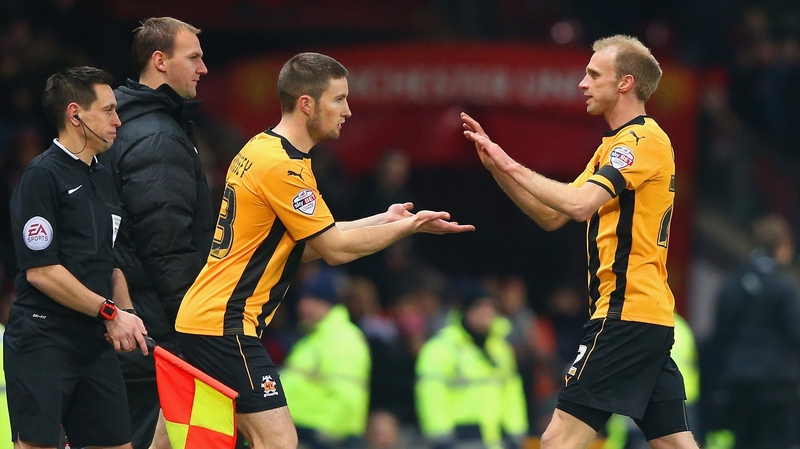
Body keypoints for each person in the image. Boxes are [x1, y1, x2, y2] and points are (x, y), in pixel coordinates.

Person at [174, 52, 474, 449]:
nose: (348, 111)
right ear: (306, 104)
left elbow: (309, 243)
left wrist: (384, 219)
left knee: (180, 442)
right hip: (225, 325)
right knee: (278, 442)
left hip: (205, 320)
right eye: (339, 99)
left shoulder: (262, 148)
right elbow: (333, 249)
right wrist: (409, 227)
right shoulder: (284, 168)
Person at [461, 35, 698, 449]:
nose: (582, 83)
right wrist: (497, 168)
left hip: (625, 315)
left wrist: (510, 162)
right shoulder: (614, 145)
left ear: (624, 83)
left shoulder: (641, 141)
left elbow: (580, 205)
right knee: (672, 443)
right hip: (646, 317)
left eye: (593, 74)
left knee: (556, 440)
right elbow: (552, 215)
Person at [4, 66, 148, 449]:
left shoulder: (104, 175)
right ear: (75, 114)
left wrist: (127, 311)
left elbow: (111, 259)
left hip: (95, 340)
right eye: (109, 110)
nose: (118, 120)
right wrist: (110, 313)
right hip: (44, 338)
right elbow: (42, 272)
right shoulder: (41, 176)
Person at [96, 17, 213, 449]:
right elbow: (166, 246)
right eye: (194, 58)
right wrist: (194, 328)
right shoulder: (157, 135)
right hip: (156, 336)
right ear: (159, 61)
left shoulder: (126, 122)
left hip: (134, 328)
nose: (203, 68)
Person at [710, 215, 800, 449]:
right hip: (778, 386)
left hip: (739, 381)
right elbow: (795, 334)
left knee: (742, 442)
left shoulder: (732, 284)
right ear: (782, 245)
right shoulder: (784, 288)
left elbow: (720, 334)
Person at [415, 281, 528, 449]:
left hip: (498, 439)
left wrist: (517, 431)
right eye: (479, 307)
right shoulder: (442, 348)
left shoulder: (500, 349)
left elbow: (512, 392)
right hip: (459, 439)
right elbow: (431, 394)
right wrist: (441, 436)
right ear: (465, 310)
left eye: (491, 307)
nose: (486, 313)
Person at [280, 267, 370, 448]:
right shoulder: (315, 336)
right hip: (305, 433)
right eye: (303, 299)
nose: (303, 306)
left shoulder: (342, 338)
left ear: (327, 303)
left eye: (312, 300)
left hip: (324, 438)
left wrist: (326, 434)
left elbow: (347, 395)